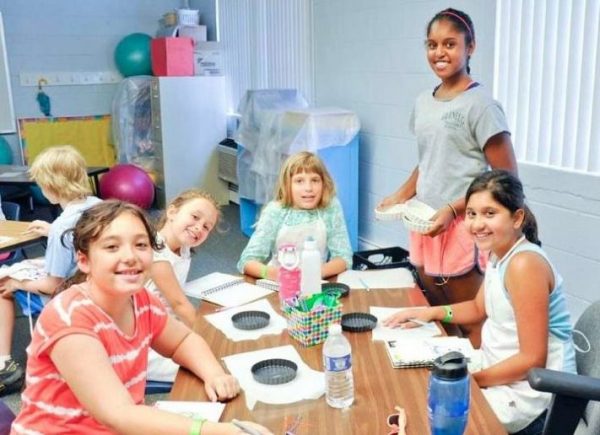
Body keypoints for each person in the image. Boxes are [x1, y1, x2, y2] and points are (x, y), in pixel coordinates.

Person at [11, 200, 272, 435]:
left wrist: (214, 373)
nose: (130, 256)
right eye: (112, 246)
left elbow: (182, 341)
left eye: (140, 245)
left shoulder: (140, 300)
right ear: (84, 260)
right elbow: (118, 414)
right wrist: (214, 432)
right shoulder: (69, 319)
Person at [384, 170, 576, 434]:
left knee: (424, 415)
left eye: (489, 213)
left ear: (517, 217)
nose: (476, 224)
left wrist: (469, 383)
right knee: (417, 393)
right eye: (471, 214)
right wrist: (429, 312)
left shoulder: (524, 264)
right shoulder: (501, 255)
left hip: (531, 397)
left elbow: (533, 359)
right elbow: (477, 308)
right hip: (501, 375)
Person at [378, 8, 518, 344]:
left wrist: (455, 210)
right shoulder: (423, 102)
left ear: (470, 48)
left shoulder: (481, 105)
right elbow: (427, 160)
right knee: (437, 308)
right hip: (426, 221)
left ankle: (480, 387)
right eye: (432, 44)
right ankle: (452, 375)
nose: (439, 53)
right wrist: (401, 195)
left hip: (461, 224)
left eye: (450, 44)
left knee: (469, 315)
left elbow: (506, 177)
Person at [0, 145, 101, 396]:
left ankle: (4, 365)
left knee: (3, 286)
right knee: (26, 267)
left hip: (66, 296)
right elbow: (80, 240)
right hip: (94, 287)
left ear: (51, 186)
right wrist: (51, 230)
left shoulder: (61, 228)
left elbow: (51, 285)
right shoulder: (98, 205)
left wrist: (17, 284)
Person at [238, 151, 352, 280]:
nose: (308, 188)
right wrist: (275, 274)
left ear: (324, 183)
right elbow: (247, 261)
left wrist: (316, 273)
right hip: (281, 285)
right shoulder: (275, 211)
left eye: (315, 180)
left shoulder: (330, 207)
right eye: (299, 181)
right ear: (287, 185)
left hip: (316, 282)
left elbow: (344, 257)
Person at [145, 189, 220, 382]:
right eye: (195, 217)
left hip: (168, 327)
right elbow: (180, 305)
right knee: (214, 365)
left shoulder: (183, 248)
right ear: (172, 212)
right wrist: (210, 339)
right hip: (149, 342)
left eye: (206, 227)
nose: (198, 228)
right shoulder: (156, 253)